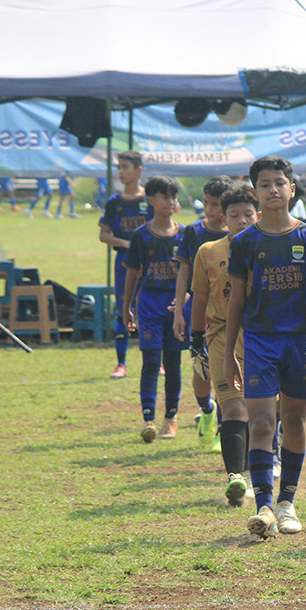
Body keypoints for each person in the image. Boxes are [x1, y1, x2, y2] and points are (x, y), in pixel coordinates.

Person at [225, 155, 306, 538]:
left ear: (291, 188)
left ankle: (288, 501)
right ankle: (264, 506)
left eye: (279, 183)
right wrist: (228, 357)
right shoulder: (244, 243)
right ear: (256, 191)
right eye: (265, 184)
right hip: (258, 343)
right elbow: (236, 302)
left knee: (294, 422)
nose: (273, 189)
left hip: (298, 344)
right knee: (262, 423)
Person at [189, 182, 261, 506]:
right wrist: (195, 341)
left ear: (257, 215)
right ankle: (236, 477)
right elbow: (200, 298)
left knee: (263, 409)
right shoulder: (208, 252)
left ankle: (262, 461)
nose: (242, 220)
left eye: (248, 214)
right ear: (224, 217)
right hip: (221, 338)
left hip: (261, 338)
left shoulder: (268, 249)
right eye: (234, 215)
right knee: (233, 405)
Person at [122, 176, 188, 443]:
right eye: (165, 197)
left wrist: (186, 302)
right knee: (151, 361)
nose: (171, 202)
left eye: (173, 197)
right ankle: (148, 418)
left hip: (175, 305)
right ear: (150, 200)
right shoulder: (141, 236)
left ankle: (170, 418)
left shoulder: (185, 235)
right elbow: (132, 274)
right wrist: (126, 307)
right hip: (149, 304)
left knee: (172, 363)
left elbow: (191, 273)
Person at [173, 176, 233, 447]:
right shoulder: (193, 233)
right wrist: (178, 310)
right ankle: (207, 410)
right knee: (201, 372)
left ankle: (224, 424)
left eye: (216, 204)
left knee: (225, 373)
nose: (210, 210)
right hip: (200, 313)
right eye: (207, 203)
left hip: (228, 315)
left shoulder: (238, 232)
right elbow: (184, 272)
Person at [98, 151, 153, 379]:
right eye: (118, 167)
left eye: (125, 167)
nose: (120, 171)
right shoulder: (114, 202)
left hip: (150, 263)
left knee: (150, 309)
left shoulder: (150, 198)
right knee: (124, 309)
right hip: (124, 263)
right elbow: (103, 235)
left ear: (138, 170)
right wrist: (124, 243)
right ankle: (121, 363)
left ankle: (154, 361)